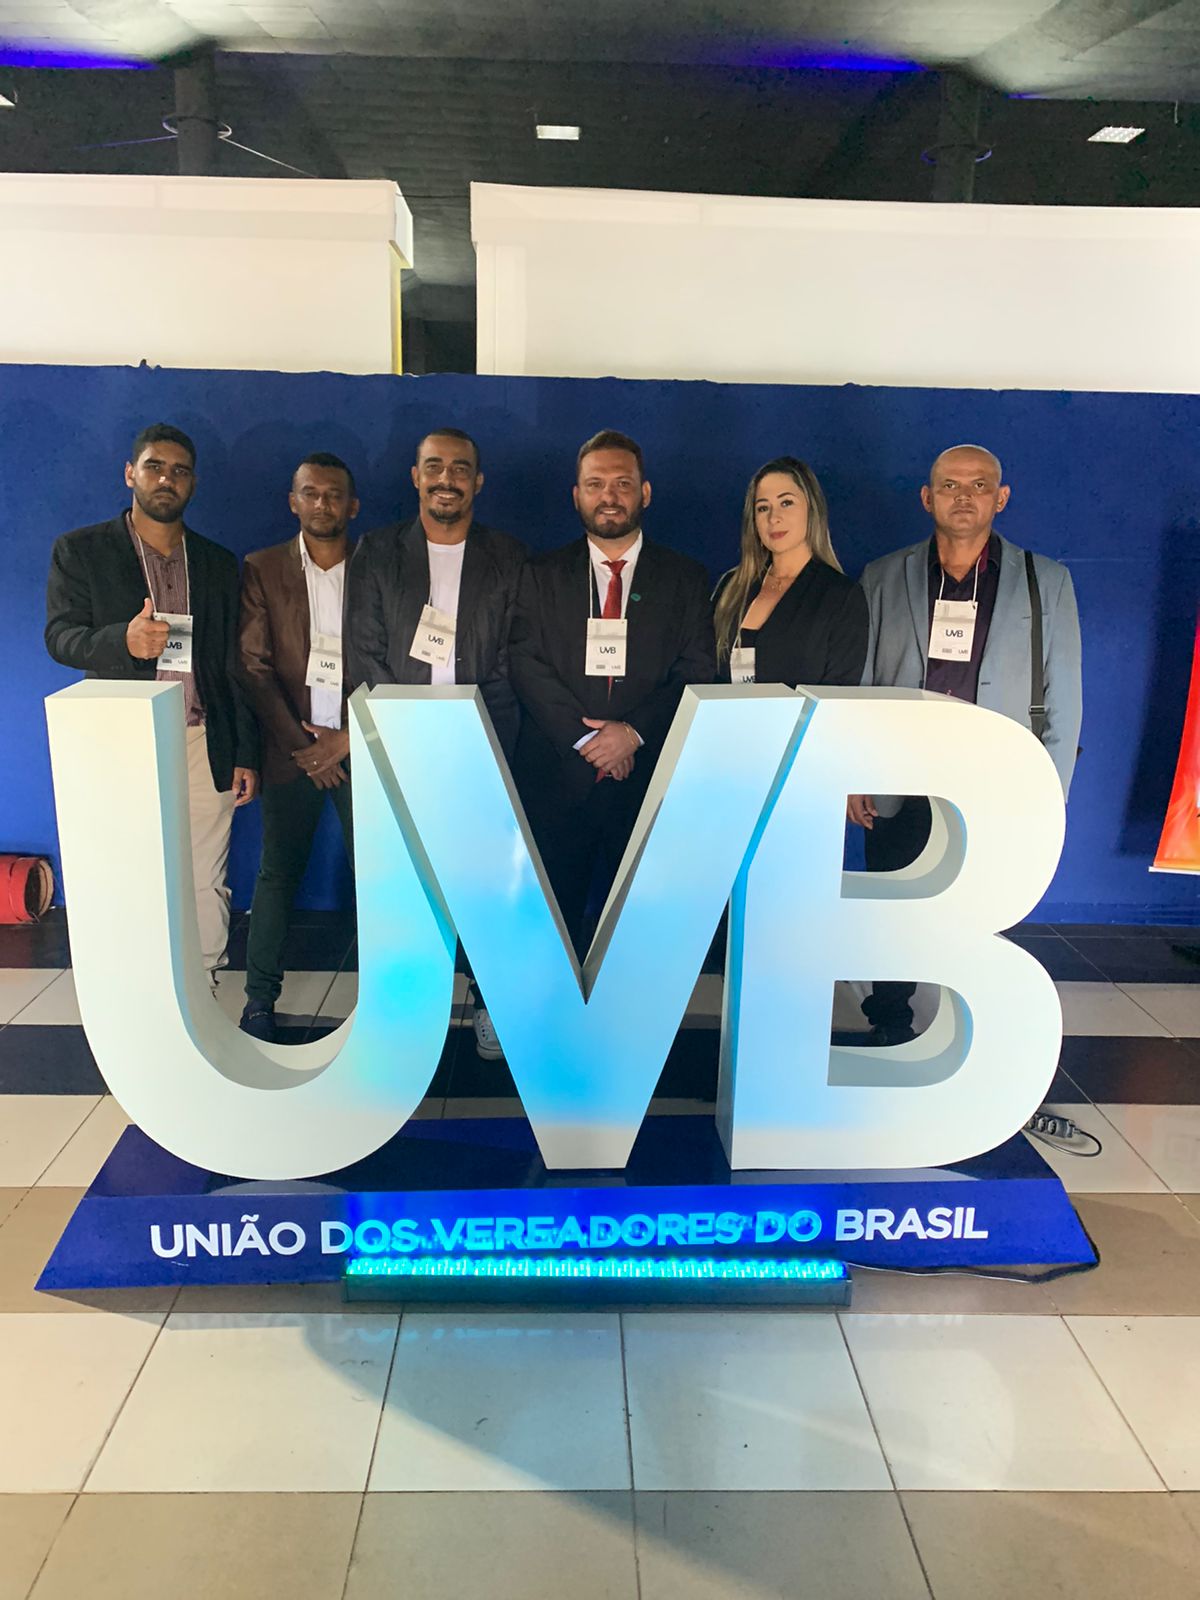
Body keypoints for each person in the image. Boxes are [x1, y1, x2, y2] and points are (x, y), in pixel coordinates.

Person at [849, 442, 1083, 1044]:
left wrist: (1049, 795)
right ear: (927, 498)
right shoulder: (883, 576)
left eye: (979, 485)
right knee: (893, 902)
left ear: (1000, 499)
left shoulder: (1046, 581)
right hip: (901, 773)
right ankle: (890, 1022)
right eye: (950, 485)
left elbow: (1064, 697)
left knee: (982, 912)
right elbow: (861, 683)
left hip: (995, 779)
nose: (964, 496)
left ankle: (975, 1038)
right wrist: (854, 772)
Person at [45, 422, 259, 986]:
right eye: (154, 467)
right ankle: (134, 987)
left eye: (179, 471)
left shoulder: (216, 562)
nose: (167, 479)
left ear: (193, 483)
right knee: (126, 870)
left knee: (203, 874)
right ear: (130, 473)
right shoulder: (81, 550)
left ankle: (204, 981)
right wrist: (122, 640)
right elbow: (60, 637)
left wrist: (244, 750)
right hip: (124, 741)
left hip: (201, 737)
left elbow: (233, 663)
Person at [344, 426, 527, 1058]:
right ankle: (406, 1010)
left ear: (479, 481)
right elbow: (364, 650)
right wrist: (407, 736)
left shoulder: (508, 555)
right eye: (434, 467)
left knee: (482, 879)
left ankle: (483, 996)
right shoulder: (377, 550)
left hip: (484, 742)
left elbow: (512, 656)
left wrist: (478, 737)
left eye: (460, 468)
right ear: (415, 477)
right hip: (402, 745)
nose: (446, 478)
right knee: (408, 880)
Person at [510, 428, 716, 960]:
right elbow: (525, 662)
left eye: (622, 483)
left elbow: (696, 670)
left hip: (647, 780)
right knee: (549, 929)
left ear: (644, 493)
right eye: (595, 484)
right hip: (559, 778)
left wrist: (632, 733)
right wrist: (589, 743)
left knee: (643, 932)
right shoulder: (538, 575)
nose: (609, 496)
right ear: (576, 495)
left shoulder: (686, 578)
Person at [237, 453, 359, 1043]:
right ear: (293, 501)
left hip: (361, 747)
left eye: (333, 494)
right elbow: (252, 666)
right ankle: (259, 999)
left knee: (379, 875)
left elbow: (391, 660)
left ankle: (389, 998)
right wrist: (304, 746)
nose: (321, 503)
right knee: (278, 873)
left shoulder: (379, 566)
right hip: (292, 749)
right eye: (310, 493)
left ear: (352, 506)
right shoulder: (262, 568)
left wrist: (346, 739)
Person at [713, 456, 867, 687]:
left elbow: (839, 695)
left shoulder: (842, 597)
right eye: (763, 508)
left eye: (786, 503)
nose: (774, 518)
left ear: (812, 510)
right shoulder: (731, 586)